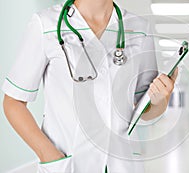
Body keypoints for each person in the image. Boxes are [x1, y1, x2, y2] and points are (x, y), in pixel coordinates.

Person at [2, 0, 178, 172]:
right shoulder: (46, 24)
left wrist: (160, 100)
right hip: (69, 164)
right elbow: (13, 102)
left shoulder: (140, 29)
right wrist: (49, 155)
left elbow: (145, 111)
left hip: (122, 163)